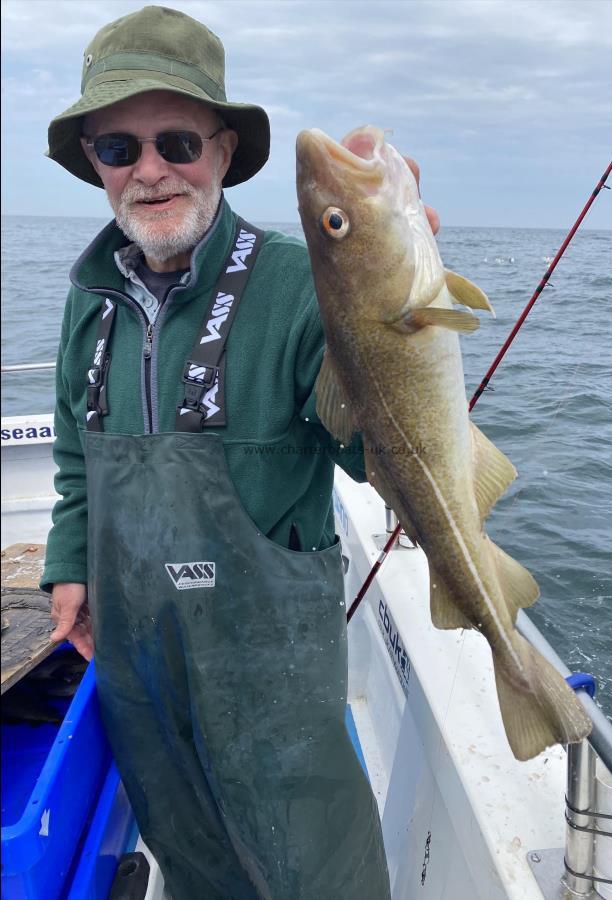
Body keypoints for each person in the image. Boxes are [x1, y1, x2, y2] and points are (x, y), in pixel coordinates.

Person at [41, 6, 437, 899]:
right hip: (138, 651)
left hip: (273, 671)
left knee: (314, 869)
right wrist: (72, 563)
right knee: (189, 851)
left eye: (176, 141)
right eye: (119, 149)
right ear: (96, 166)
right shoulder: (88, 296)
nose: (150, 170)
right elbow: (75, 448)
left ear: (221, 150)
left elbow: (376, 458)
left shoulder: (305, 285)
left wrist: (396, 327)